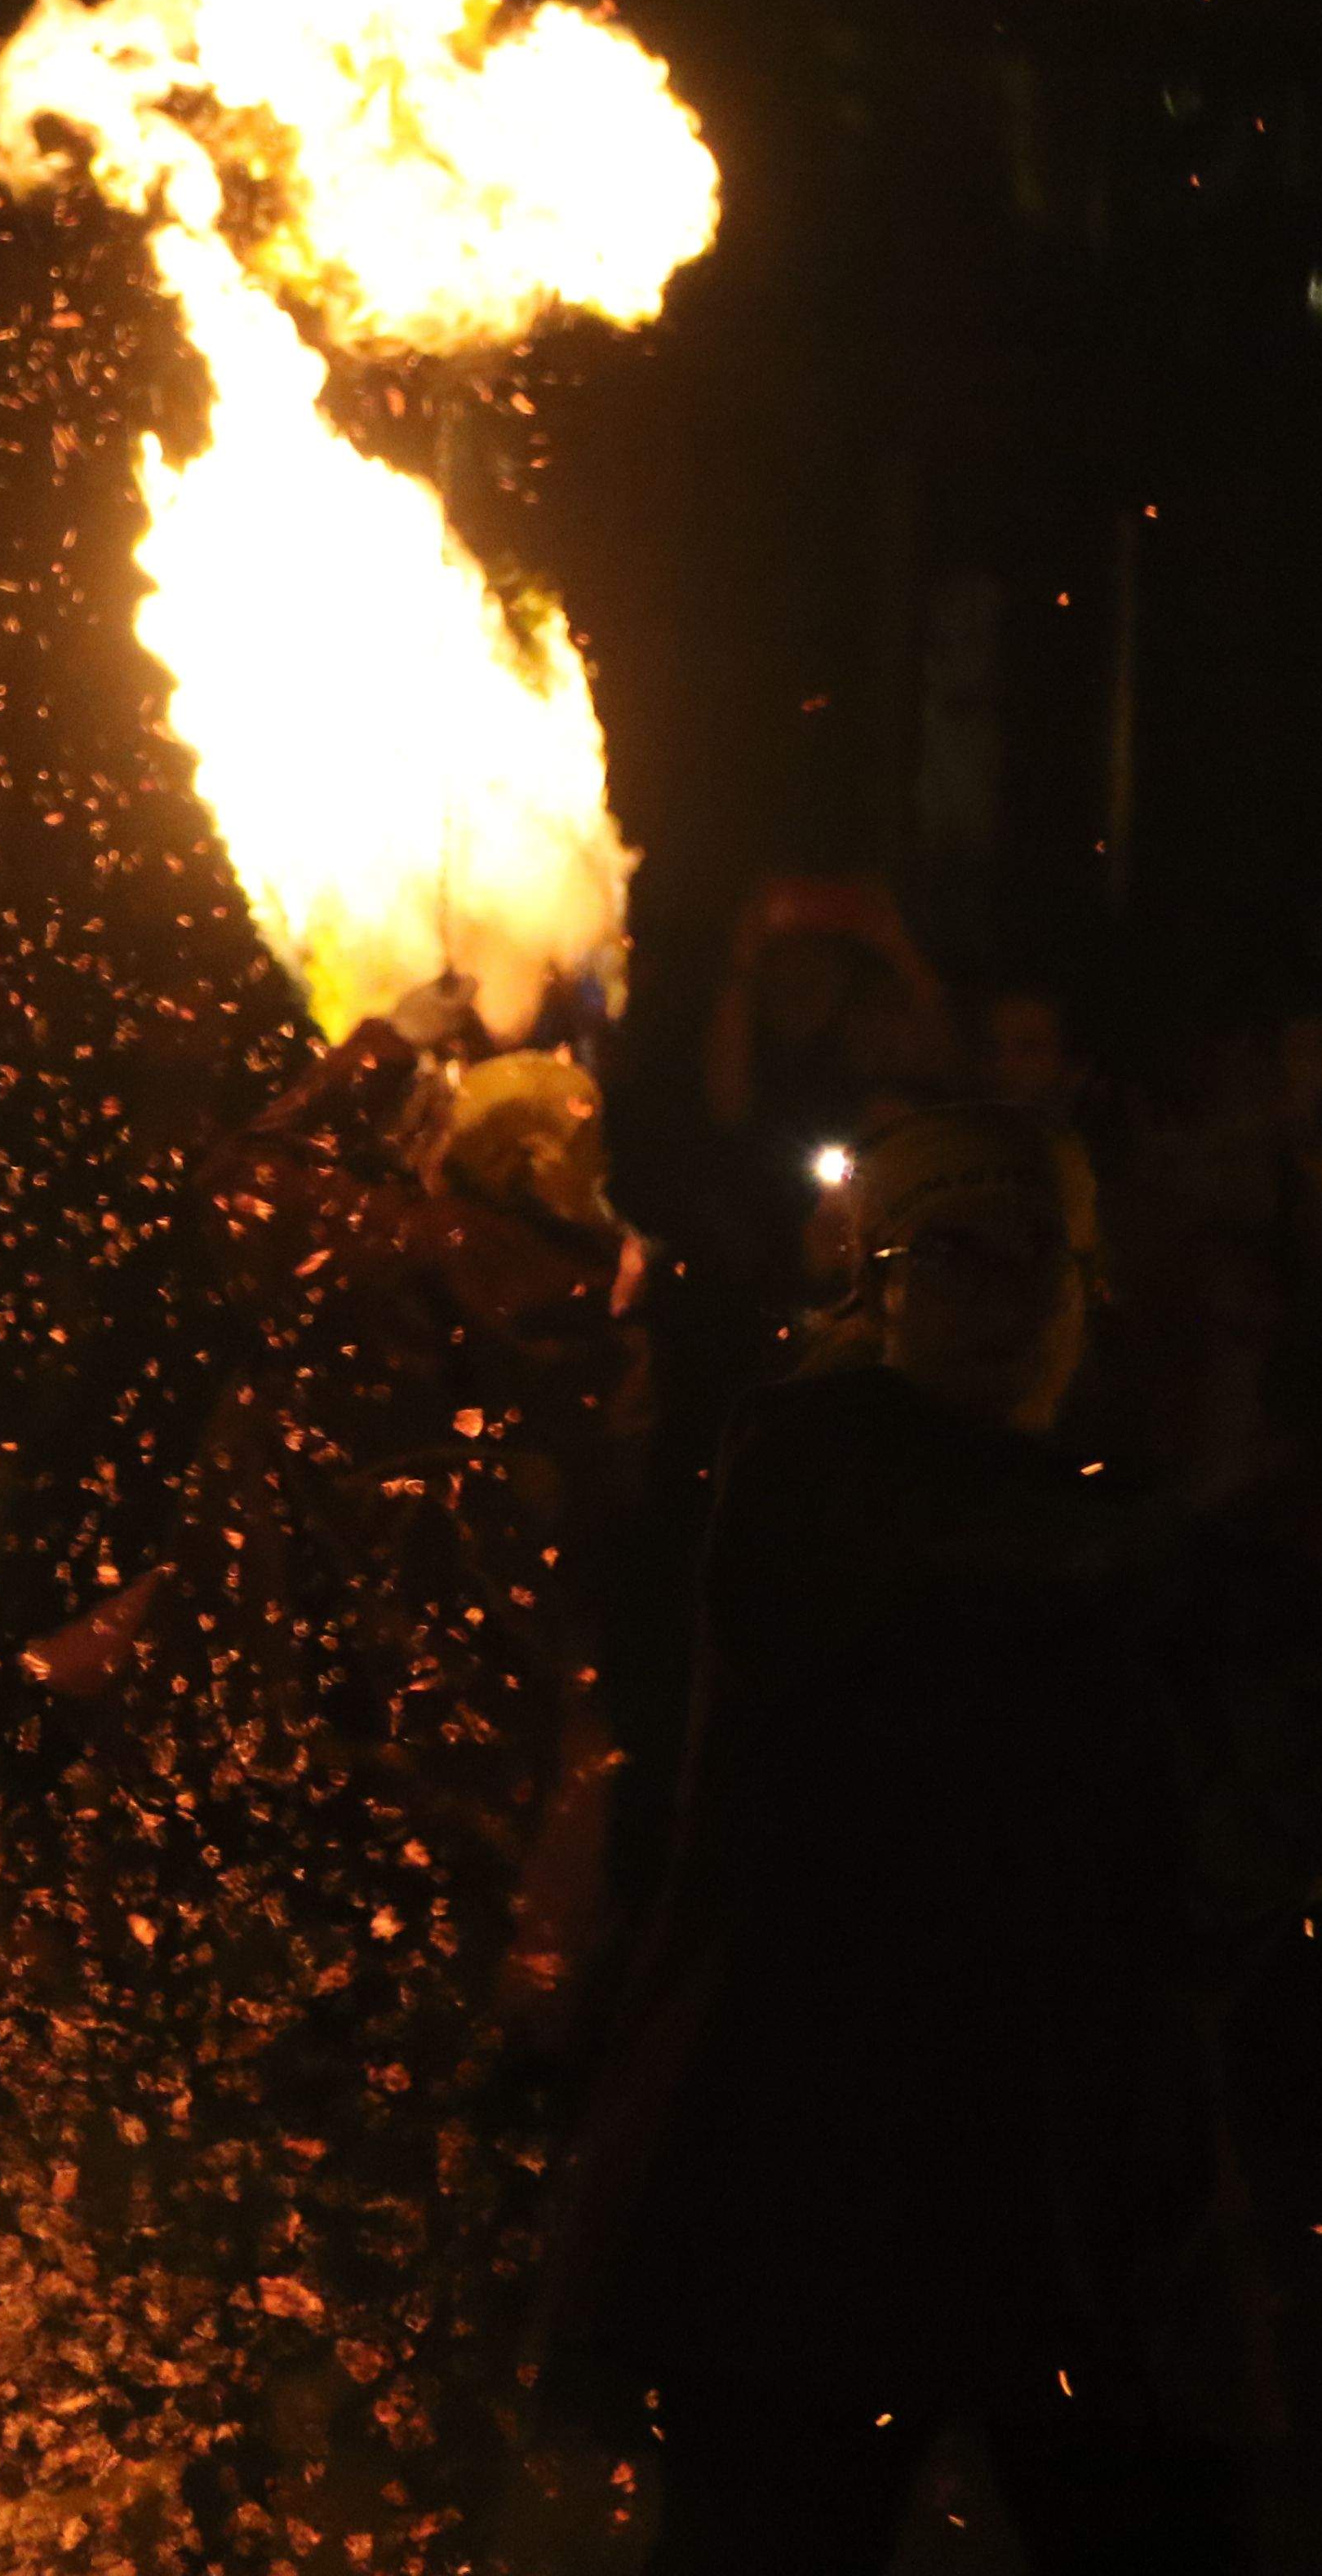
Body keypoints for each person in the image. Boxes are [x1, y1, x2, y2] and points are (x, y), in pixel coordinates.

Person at [543, 1101, 1286, 2573]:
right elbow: (1010, 1571)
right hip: (817, 2154)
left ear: (1082, 1285)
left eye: (1034, 1255)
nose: (999, 1295)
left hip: (1072, 2159)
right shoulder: (813, 1463)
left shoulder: (1121, 1524)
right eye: (952, 1251)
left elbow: (1203, 1830)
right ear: (875, 1280)